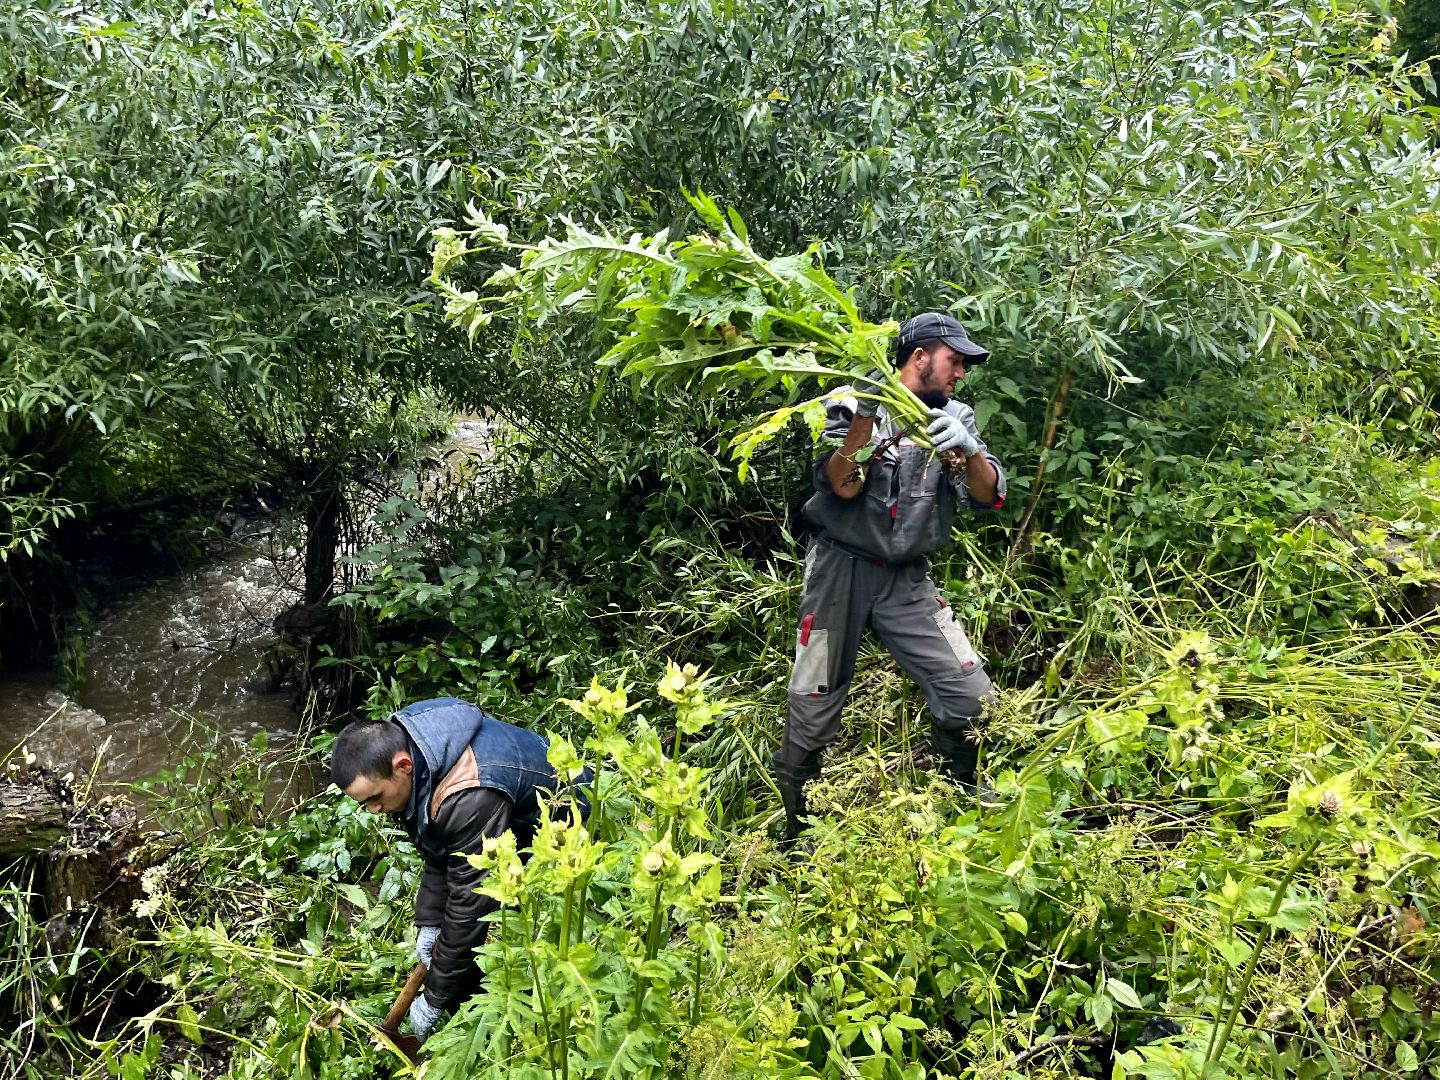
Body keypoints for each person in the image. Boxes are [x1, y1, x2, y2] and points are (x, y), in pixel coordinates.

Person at [774, 312, 1007, 849]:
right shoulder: (850, 404)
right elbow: (841, 484)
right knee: (812, 703)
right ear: (920, 356)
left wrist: (968, 451)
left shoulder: (958, 415)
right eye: (955, 361)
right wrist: (868, 413)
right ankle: (797, 834)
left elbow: (988, 495)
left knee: (973, 698)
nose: (961, 374)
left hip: (909, 582)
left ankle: (961, 790)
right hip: (838, 575)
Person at [330, 698, 590, 1041]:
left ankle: (519, 1028)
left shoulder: (467, 794)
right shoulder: (419, 744)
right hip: (515, 814)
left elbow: (470, 903)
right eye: (363, 803)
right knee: (459, 934)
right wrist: (429, 922)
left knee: (525, 924)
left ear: (402, 764)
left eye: (374, 797)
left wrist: (435, 998)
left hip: (570, 826)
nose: (374, 810)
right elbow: (443, 845)